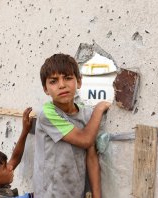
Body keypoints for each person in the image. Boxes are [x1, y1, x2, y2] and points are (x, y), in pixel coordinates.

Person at [34, 53, 111, 198]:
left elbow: (92, 155)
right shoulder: (48, 114)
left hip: (75, 191)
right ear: (45, 89)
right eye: (53, 81)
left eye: (68, 78)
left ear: (79, 82)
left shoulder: (86, 114)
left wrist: (97, 195)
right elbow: (85, 139)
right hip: (50, 193)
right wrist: (99, 108)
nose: (62, 85)